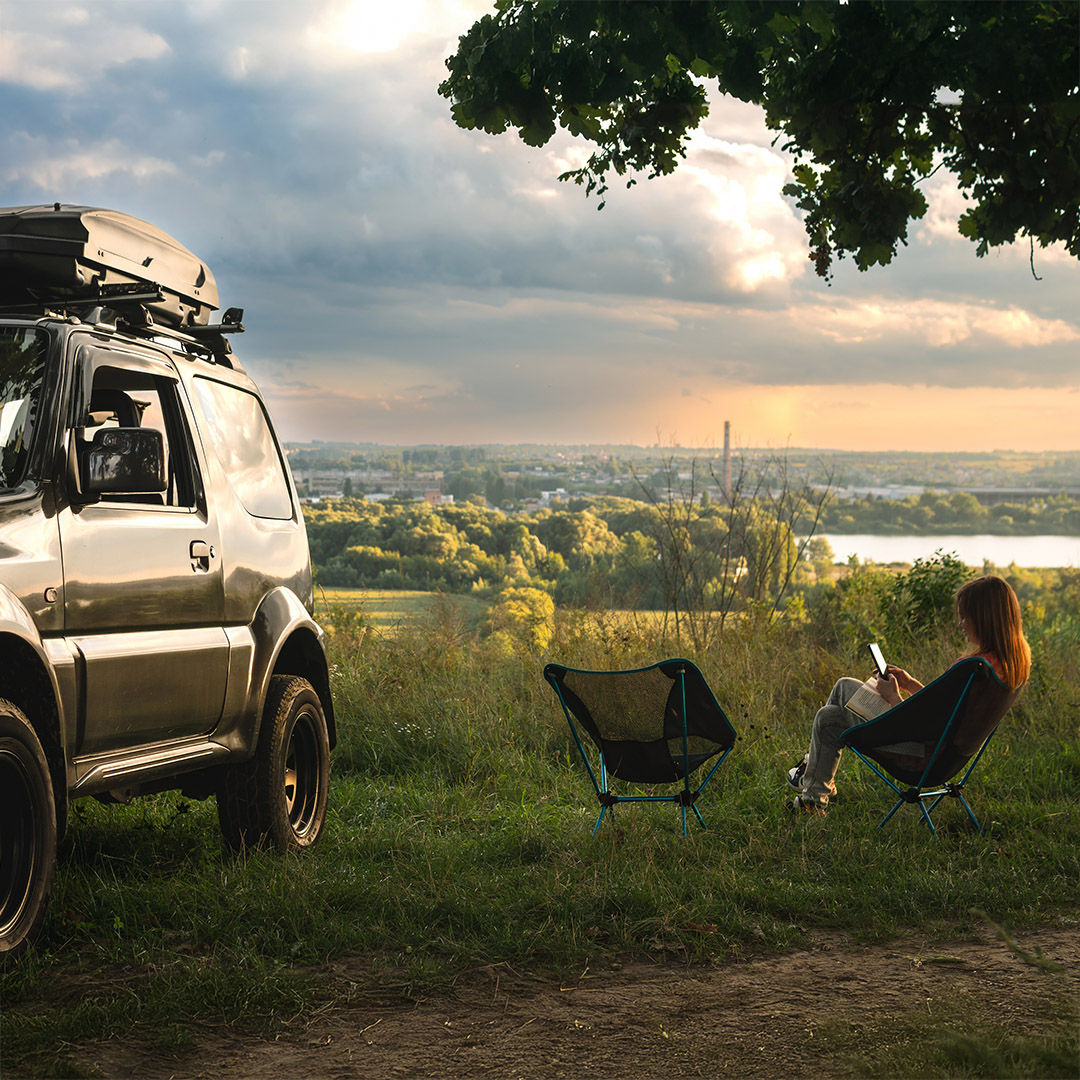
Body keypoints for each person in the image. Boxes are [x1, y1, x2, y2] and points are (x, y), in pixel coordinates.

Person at [786, 574, 1031, 815]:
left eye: (965, 617)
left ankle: (813, 798)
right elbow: (944, 712)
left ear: (984, 619)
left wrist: (893, 696)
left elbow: (920, 725)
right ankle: (813, 777)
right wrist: (910, 683)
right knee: (844, 686)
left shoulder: (972, 668)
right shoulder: (1008, 665)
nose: (961, 624)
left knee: (829, 718)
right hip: (947, 756)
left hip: (921, 754)